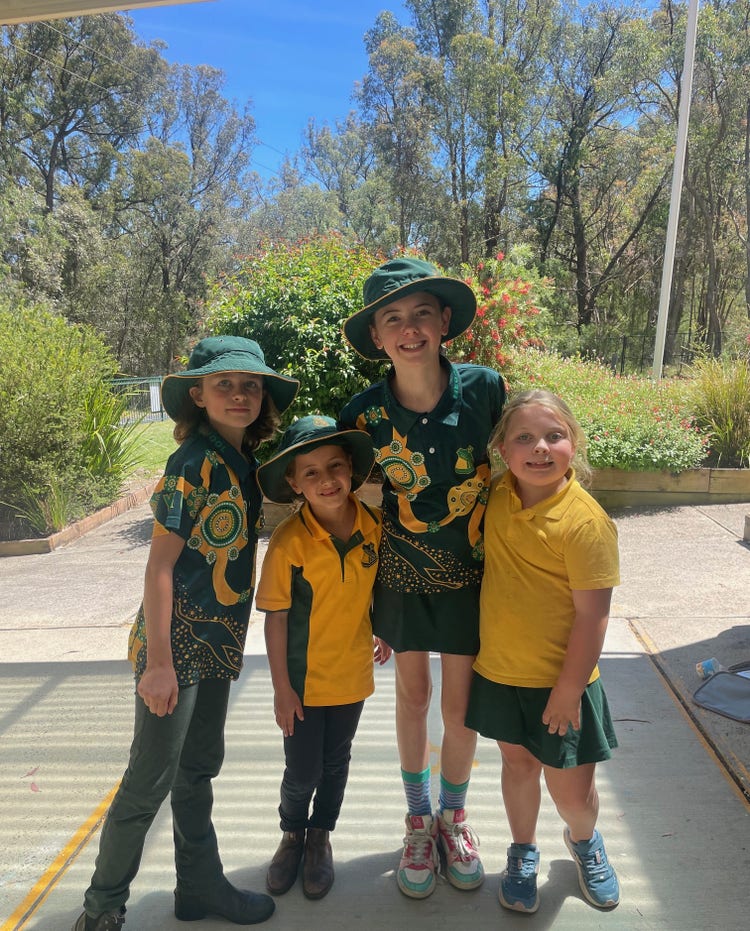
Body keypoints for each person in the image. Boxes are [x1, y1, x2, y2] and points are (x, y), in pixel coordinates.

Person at [73, 336, 299, 931]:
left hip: (216, 646)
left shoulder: (241, 463)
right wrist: (159, 665)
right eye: (224, 384)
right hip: (175, 651)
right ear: (197, 395)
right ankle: (101, 910)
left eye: (250, 385)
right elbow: (161, 566)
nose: (240, 394)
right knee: (148, 782)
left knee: (196, 771)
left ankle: (198, 889)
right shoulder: (192, 461)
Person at [339, 257, 505, 899]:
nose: (409, 329)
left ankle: (453, 817)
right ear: (377, 337)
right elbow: (342, 499)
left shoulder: (486, 388)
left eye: (421, 314)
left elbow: (518, 464)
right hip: (401, 575)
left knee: (459, 705)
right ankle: (417, 820)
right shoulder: (362, 416)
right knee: (412, 698)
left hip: (472, 574)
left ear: (443, 322)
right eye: (393, 319)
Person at [465, 388, 620, 914]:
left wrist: (569, 689)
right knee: (518, 767)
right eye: (524, 438)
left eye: (554, 436)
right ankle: (523, 851)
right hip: (502, 674)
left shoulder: (586, 522)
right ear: (502, 450)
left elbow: (593, 615)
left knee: (573, 796)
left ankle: (584, 843)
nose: (539, 448)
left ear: (573, 443)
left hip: (563, 686)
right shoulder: (498, 494)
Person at [255, 415, 391, 901]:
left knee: (336, 763)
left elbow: (378, 589)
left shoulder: (375, 526)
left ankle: (320, 836)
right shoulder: (290, 542)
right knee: (303, 769)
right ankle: (292, 833)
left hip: (352, 676)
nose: (326, 479)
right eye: (309, 472)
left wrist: (384, 630)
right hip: (303, 685)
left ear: (351, 469)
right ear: (293, 482)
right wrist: (281, 688)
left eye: (334, 466)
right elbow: (275, 618)